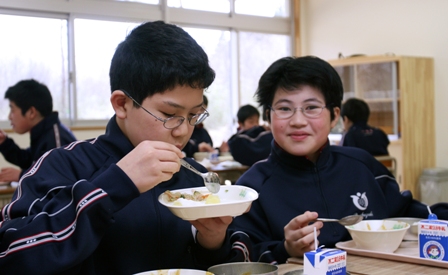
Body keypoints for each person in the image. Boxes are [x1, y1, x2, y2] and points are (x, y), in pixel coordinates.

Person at [0, 21, 237, 274]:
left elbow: (236, 258)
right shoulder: (64, 164)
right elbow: (10, 254)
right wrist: (116, 185)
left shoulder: (195, 177)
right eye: (170, 114)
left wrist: (212, 244)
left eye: (194, 115)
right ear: (122, 104)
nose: (183, 130)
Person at [228, 55, 448, 264]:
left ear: (334, 116)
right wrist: (286, 249)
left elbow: (410, 215)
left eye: (311, 108)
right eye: (284, 108)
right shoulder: (250, 189)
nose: (297, 121)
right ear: (268, 116)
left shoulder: (362, 166)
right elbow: (239, 259)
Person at [0, 79, 77, 183]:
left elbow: (59, 181)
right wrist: (4, 143)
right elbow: (28, 160)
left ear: (31, 112)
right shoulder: (43, 132)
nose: (9, 117)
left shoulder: (55, 138)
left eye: (12, 110)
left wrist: (21, 176)